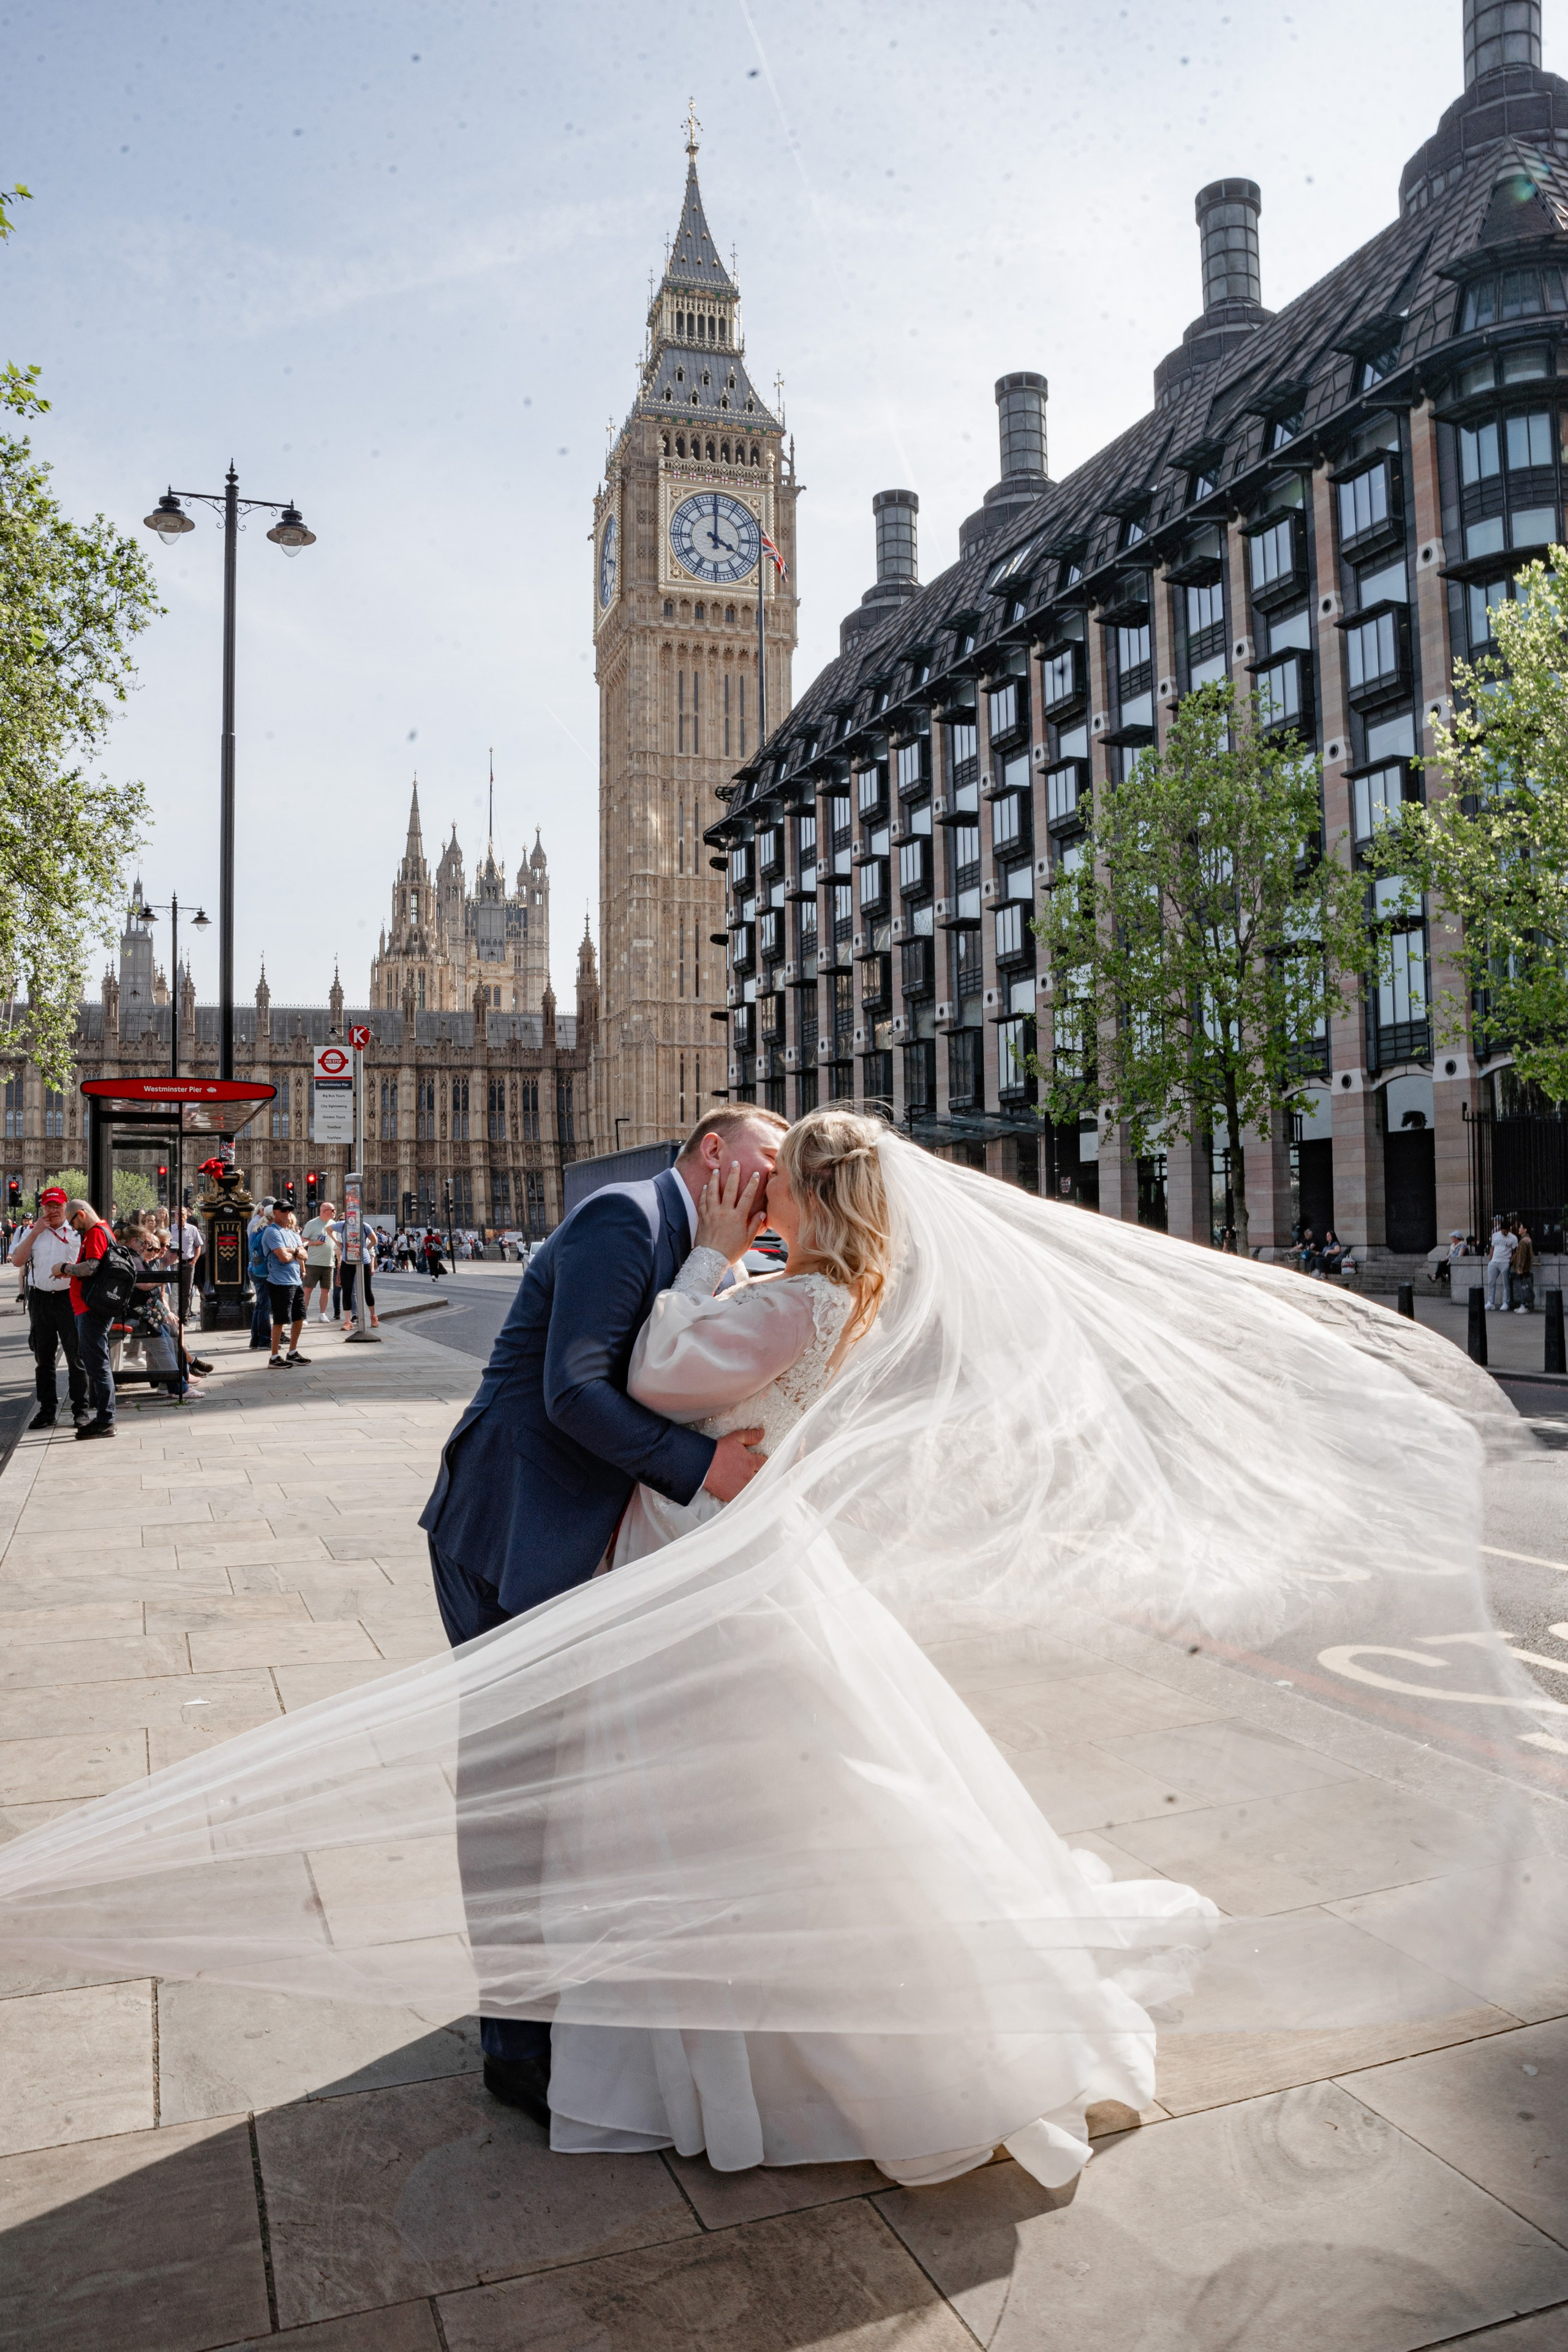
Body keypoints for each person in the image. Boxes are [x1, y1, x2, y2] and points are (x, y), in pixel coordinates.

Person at [421, 1102, 785, 2114]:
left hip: (581, 1539)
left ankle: (559, 1993)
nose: (778, 1178)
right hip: (516, 1531)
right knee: (512, 1790)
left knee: (567, 1783)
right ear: (712, 1153)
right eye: (767, 1157)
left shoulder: (706, 1246)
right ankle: (515, 2044)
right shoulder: (626, 1216)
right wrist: (704, 1467)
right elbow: (575, 1390)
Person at [9, 1186, 90, 1431]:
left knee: (76, 1356)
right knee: (44, 1358)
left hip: (69, 1299)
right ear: (42, 1208)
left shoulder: (76, 1232)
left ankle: (80, 1409)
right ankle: (47, 1410)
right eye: (48, 1206)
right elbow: (17, 1260)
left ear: (66, 1207)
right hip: (41, 1299)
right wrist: (35, 1233)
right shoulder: (32, 1232)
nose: (53, 1211)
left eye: (57, 1206)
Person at [64, 1197, 116, 1438]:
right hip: (89, 1309)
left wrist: (65, 1268)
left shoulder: (96, 1232)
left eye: (72, 1222)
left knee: (98, 1365)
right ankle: (105, 1417)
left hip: (91, 1310)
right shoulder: (102, 1231)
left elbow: (91, 1267)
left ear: (82, 1215)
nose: (73, 1228)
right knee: (96, 1363)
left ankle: (106, 1420)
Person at [257, 1202, 311, 1367]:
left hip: (296, 1280)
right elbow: (283, 1258)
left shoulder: (293, 1233)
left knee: (299, 1317)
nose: (288, 1213)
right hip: (279, 1282)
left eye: (290, 1210)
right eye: (284, 1210)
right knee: (280, 1320)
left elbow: (305, 1256)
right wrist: (296, 1252)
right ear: (275, 1212)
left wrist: (293, 1251)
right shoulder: (272, 1232)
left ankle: (292, 1352)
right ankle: (274, 1357)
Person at [301, 1200, 338, 1325]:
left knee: (326, 1290)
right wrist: (315, 1243)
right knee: (308, 1289)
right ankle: (303, 1315)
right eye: (332, 1210)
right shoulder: (312, 1224)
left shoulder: (334, 1224)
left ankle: (323, 1314)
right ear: (324, 1211)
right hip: (313, 1263)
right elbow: (303, 1240)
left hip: (329, 1263)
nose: (335, 1212)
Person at [246, 1196, 276, 1349]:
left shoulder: (257, 1224)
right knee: (264, 1306)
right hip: (263, 1270)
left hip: (256, 1268)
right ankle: (264, 1340)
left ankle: (256, 1340)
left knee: (260, 1306)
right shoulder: (264, 1228)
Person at [339, 1218, 379, 1330]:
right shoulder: (343, 1226)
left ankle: (373, 1317)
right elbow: (330, 1230)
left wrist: (364, 1251)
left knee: (367, 1290)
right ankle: (348, 1321)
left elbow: (373, 1244)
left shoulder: (364, 1227)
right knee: (347, 1291)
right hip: (348, 1261)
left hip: (364, 1261)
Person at [1484, 1216, 1516, 1311]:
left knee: (1506, 1284)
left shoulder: (1513, 1238)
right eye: (1504, 1231)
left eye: (1507, 1231)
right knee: (1491, 1282)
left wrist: (1510, 1262)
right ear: (1501, 1229)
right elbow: (1492, 1248)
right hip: (1495, 1261)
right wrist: (1490, 1260)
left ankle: (1506, 1302)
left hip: (1505, 1261)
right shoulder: (1495, 1235)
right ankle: (1491, 1302)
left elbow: (1515, 1252)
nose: (1505, 1233)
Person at [1512, 1218, 1536, 1313]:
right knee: (1525, 1286)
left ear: (1525, 1230)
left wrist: (1520, 1268)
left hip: (1523, 1269)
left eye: (1521, 1227)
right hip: (1526, 1268)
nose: (1519, 1229)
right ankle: (1525, 1305)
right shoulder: (1528, 1240)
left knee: (1522, 1287)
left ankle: (1524, 1306)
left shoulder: (1523, 1241)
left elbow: (1522, 1255)